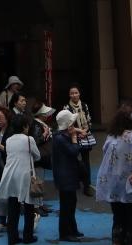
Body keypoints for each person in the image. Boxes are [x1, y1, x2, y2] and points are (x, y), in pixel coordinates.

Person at [96, 105, 132, 245]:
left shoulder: (111, 136)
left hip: (114, 185)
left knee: (118, 218)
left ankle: (118, 241)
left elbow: (105, 152)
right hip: (130, 185)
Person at [0, 114, 40, 244]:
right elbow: (37, 156)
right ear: (25, 126)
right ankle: (28, 236)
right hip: (25, 176)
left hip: (10, 175)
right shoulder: (29, 139)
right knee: (29, 207)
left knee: (13, 207)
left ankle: (12, 237)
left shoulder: (8, 140)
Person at [51, 109, 86, 242]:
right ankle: (65, 233)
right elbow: (74, 151)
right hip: (66, 176)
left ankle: (72, 229)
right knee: (67, 206)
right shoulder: (61, 139)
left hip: (65, 175)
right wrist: (75, 138)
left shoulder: (59, 135)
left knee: (71, 203)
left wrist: (76, 133)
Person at [63, 85, 97, 197]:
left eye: (76, 93)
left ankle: (87, 185)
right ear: (69, 95)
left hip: (85, 135)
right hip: (72, 136)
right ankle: (75, 180)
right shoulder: (66, 107)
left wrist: (85, 131)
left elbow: (89, 120)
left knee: (86, 161)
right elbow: (67, 124)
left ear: (79, 94)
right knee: (73, 160)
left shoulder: (84, 105)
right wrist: (79, 132)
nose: (74, 95)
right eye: (71, 93)